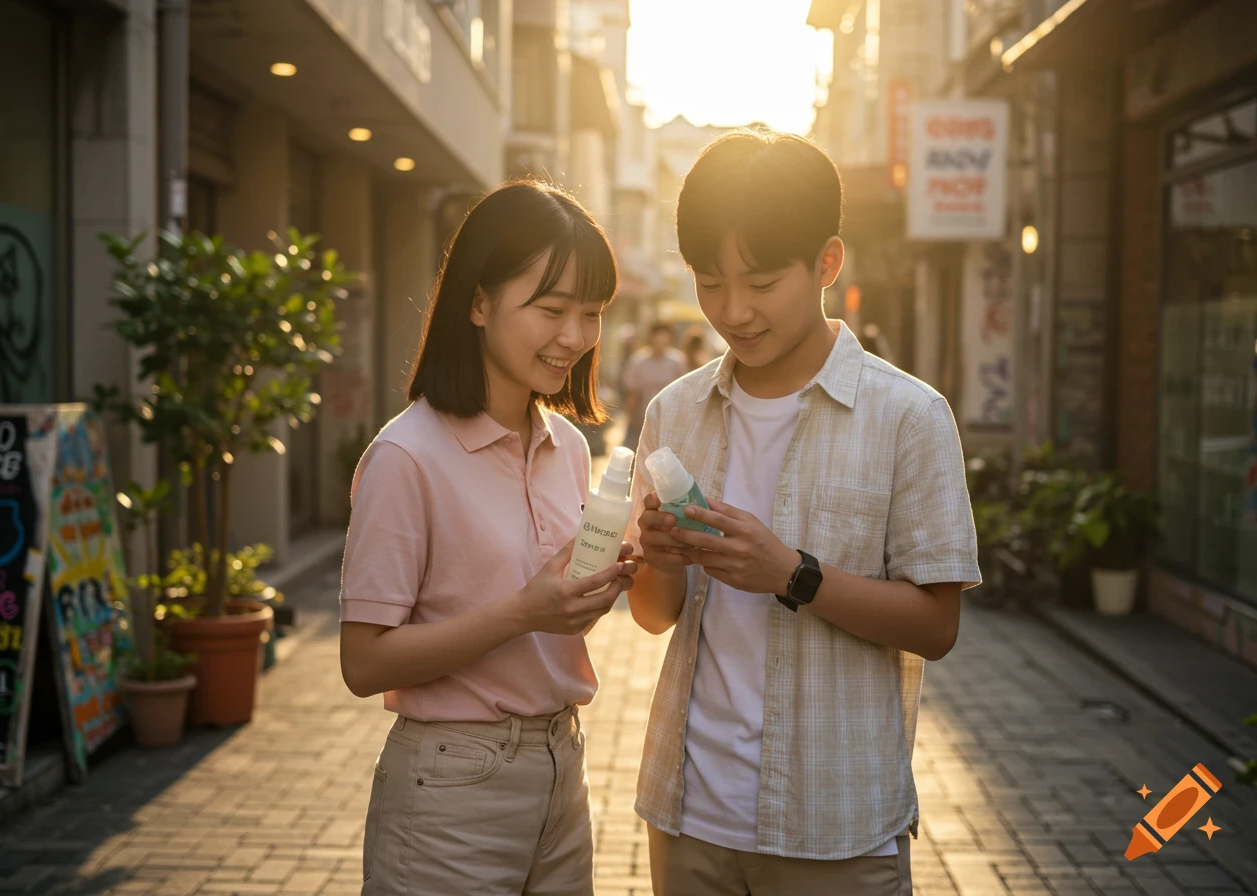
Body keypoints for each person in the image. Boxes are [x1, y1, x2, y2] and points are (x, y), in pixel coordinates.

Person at [623, 130, 981, 895]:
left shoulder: (908, 416)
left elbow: (937, 626)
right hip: (688, 818)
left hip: (837, 829)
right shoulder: (674, 412)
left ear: (826, 261)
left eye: (759, 280)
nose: (733, 310)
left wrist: (792, 574)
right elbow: (656, 618)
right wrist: (658, 556)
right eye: (709, 282)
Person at [339, 179, 638, 896]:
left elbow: (545, 618)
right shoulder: (406, 455)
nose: (574, 335)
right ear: (478, 302)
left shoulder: (566, 447)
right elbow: (363, 661)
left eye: (591, 313)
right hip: (451, 790)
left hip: (562, 771)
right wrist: (525, 612)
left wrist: (588, 595)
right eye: (552, 308)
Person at [620, 321, 688, 451]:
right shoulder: (638, 361)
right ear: (651, 337)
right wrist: (628, 417)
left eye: (665, 336)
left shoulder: (677, 362)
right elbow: (632, 392)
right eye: (658, 336)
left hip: (668, 420)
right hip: (641, 419)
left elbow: (683, 393)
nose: (661, 340)